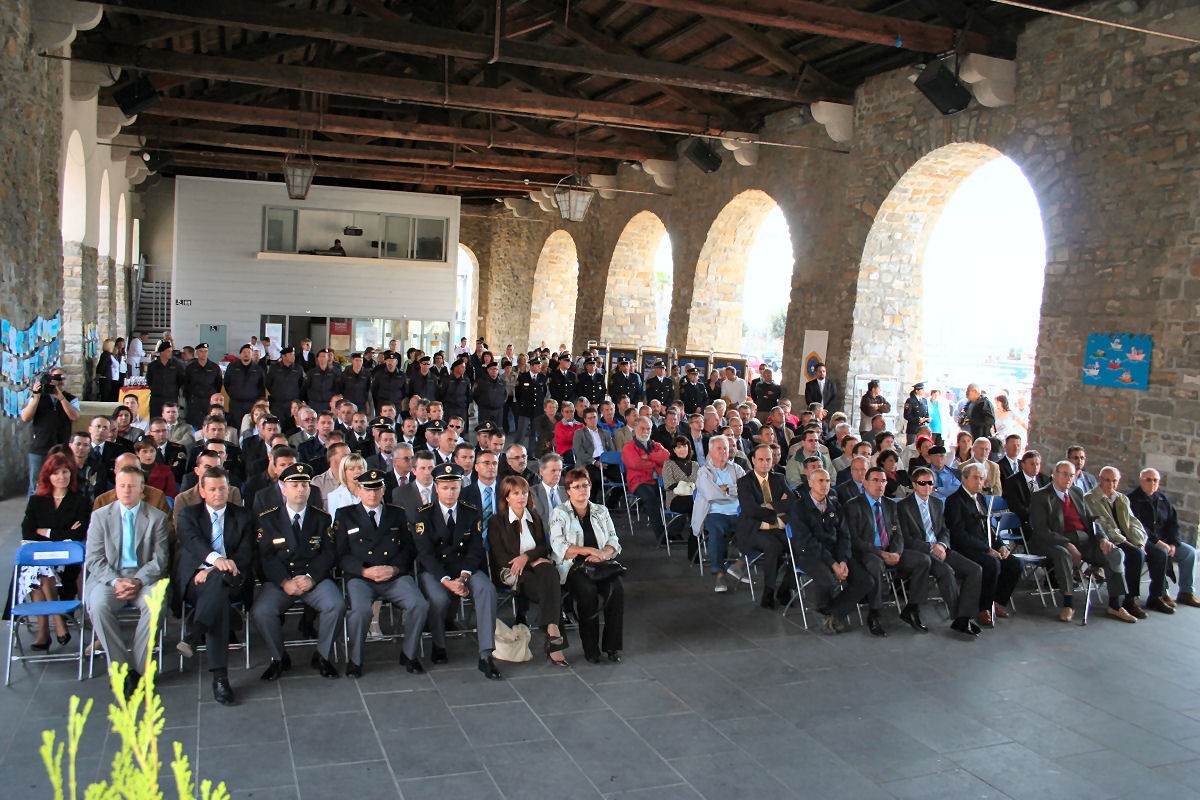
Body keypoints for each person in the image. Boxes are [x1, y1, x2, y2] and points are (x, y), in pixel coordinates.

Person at [251, 463, 345, 680]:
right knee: (262, 612)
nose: (300, 489)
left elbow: (328, 554)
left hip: (313, 579)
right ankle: (279, 658)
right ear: (284, 489)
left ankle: (323, 656)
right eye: (294, 485)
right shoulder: (269, 519)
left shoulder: (321, 518)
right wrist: (284, 581)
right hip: (282, 581)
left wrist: (311, 578)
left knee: (336, 605)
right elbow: (265, 557)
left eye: (304, 485)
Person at [85, 466, 171, 698]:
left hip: (144, 577)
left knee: (155, 604)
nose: (126, 490)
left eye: (131, 486)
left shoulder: (156, 517)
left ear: (142, 488)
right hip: (109, 578)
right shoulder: (100, 516)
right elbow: (94, 558)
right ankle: (121, 669)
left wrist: (137, 581)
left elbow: (160, 560)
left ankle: (140, 671)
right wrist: (116, 581)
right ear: (115, 487)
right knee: (98, 606)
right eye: (121, 485)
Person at [333, 469, 429, 677]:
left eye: (377, 489)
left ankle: (410, 654)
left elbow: (409, 548)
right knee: (360, 612)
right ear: (358, 491)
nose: (372, 494)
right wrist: (363, 571)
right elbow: (340, 554)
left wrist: (394, 568)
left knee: (419, 604)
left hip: (393, 575)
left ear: (384, 490)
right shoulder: (345, 515)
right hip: (361, 577)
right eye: (367, 489)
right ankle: (355, 660)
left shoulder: (396, 513)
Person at [414, 463, 503, 680]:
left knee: (486, 590)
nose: (450, 493)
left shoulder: (470, 512)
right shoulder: (424, 515)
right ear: (436, 488)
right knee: (438, 599)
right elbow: (425, 555)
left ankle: (486, 654)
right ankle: (439, 644)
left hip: (465, 569)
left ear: (460, 487)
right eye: (445, 488)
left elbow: (475, 550)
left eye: (454, 487)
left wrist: (463, 577)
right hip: (437, 572)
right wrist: (447, 581)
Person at [174, 466, 253, 704]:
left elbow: (246, 554)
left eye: (222, 488)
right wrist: (216, 561)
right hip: (195, 582)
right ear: (202, 491)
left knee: (217, 583)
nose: (218, 493)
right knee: (218, 600)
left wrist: (213, 570)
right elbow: (193, 542)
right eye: (212, 489)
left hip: (234, 579)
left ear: (229, 489)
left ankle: (196, 630)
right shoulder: (189, 515)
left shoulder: (244, 516)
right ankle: (220, 679)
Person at [1029, 460, 1130, 623]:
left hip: (1083, 539)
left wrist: (1102, 538)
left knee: (1114, 553)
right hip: (1053, 540)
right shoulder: (1041, 496)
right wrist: (1067, 544)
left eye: (1071, 475)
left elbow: (1091, 519)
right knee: (1063, 554)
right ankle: (1068, 604)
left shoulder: (1076, 492)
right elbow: (1042, 530)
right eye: (1064, 474)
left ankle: (1115, 605)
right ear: (1054, 474)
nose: (1068, 478)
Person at [490, 475, 569, 666]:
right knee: (549, 587)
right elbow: (500, 557)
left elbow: (543, 547)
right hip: (511, 572)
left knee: (549, 572)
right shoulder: (496, 521)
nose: (521, 497)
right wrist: (527, 561)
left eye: (524, 493)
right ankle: (554, 638)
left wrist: (527, 557)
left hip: (535, 567)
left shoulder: (534, 517)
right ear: (506, 497)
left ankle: (552, 630)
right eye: (516, 493)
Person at [548, 467, 624, 664]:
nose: (582, 490)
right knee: (587, 592)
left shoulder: (601, 511)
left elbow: (613, 539)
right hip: (573, 566)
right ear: (568, 490)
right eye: (577, 487)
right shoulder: (560, 512)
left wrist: (604, 554)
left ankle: (612, 646)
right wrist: (589, 551)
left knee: (616, 589)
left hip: (600, 563)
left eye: (585, 485)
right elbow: (559, 546)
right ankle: (591, 649)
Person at [898, 467, 984, 638]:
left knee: (975, 570)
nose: (927, 487)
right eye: (922, 483)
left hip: (940, 548)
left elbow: (944, 530)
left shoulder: (937, 503)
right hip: (921, 552)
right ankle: (960, 618)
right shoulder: (903, 506)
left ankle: (965, 614)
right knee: (946, 571)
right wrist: (931, 548)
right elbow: (906, 539)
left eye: (930, 483)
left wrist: (942, 545)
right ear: (914, 484)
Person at [786, 468, 874, 634]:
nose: (825, 485)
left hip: (835, 553)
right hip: (809, 554)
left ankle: (832, 613)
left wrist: (843, 560)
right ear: (810, 483)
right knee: (828, 581)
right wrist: (833, 563)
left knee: (865, 581)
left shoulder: (835, 505)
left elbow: (844, 536)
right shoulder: (799, 508)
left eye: (827, 481)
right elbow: (807, 541)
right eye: (820, 481)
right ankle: (825, 612)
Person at [845, 467, 930, 637]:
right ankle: (875, 613)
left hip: (890, 550)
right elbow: (854, 540)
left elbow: (898, 533)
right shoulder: (853, 505)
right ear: (865, 483)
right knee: (876, 565)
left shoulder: (891, 504)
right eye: (875, 480)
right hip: (867, 552)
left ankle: (912, 609)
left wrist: (896, 552)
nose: (880, 484)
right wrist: (881, 554)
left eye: (883, 481)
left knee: (923, 560)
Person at [19, 453, 89, 650]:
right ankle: (57, 620)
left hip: (66, 562)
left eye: (65, 472)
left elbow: (77, 535)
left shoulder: (80, 501)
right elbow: (28, 533)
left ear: (71, 474)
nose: (61, 477)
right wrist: (62, 534)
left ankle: (43, 632)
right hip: (40, 559)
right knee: (39, 569)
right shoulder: (37, 501)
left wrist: (47, 532)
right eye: (56, 473)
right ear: (48, 476)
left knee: (40, 571)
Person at [945, 462, 1021, 626]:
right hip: (966, 548)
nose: (979, 482)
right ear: (964, 479)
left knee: (1014, 564)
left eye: (981, 478)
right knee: (992, 563)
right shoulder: (955, 501)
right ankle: (983, 608)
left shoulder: (981, 498)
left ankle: (995, 601)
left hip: (985, 545)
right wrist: (987, 549)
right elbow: (959, 535)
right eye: (975, 478)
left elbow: (989, 528)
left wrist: (1001, 545)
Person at [730, 444, 794, 609]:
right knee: (774, 547)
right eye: (761, 459)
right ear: (753, 460)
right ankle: (768, 593)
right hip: (754, 529)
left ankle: (785, 589)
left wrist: (771, 505)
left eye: (768, 459)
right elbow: (751, 509)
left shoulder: (779, 478)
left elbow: (793, 502)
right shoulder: (744, 482)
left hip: (777, 529)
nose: (765, 463)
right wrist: (776, 516)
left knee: (800, 544)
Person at [1084, 466, 1150, 620]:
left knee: (1153, 553)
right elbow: (1102, 526)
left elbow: (1133, 522)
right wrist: (1127, 542)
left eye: (1114, 481)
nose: (1111, 484)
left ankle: (1156, 594)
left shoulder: (1122, 498)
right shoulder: (1090, 498)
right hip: (1108, 539)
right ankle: (1129, 599)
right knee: (1134, 555)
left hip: (1127, 537)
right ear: (1100, 480)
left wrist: (1139, 541)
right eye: (1107, 480)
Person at [1128, 468, 1199, 611]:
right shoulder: (1132, 500)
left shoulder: (1162, 499)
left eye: (1155, 480)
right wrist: (1159, 542)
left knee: (1190, 553)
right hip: (1145, 541)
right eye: (1148, 480)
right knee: (1161, 553)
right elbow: (1139, 527)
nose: (1152, 483)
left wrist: (1173, 542)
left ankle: (1186, 593)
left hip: (1165, 540)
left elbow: (1173, 523)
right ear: (1141, 481)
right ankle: (1161, 592)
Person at [693, 436, 745, 592]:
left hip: (738, 513)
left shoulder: (737, 469)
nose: (723, 451)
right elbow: (711, 494)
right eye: (719, 448)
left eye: (726, 448)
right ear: (711, 451)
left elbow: (746, 489)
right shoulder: (704, 472)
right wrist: (733, 491)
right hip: (715, 512)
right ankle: (719, 574)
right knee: (716, 532)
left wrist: (726, 488)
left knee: (757, 529)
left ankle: (740, 565)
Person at [20, 367, 81, 495]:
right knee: (36, 485)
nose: (59, 381)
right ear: (49, 380)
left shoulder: (70, 399)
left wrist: (61, 398)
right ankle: (34, 507)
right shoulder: (38, 396)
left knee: (61, 485)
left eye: (62, 378)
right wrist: (36, 398)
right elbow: (25, 417)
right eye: (56, 378)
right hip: (40, 448)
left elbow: (74, 416)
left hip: (61, 448)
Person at [621, 417, 670, 545]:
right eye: (642, 428)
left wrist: (648, 457)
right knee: (652, 499)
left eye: (648, 429)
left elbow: (667, 456)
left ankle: (675, 532)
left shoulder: (655, 444)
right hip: (639, 482)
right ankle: (661, 536)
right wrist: (655, 462)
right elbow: (635, 463)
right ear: (635, 428)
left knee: (679, 494)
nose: (645, 431)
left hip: (658, 481)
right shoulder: (629, 447)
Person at [183, 343, 223, 428]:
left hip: (209, 400)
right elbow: (186, 384)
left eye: (206, 351)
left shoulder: (214, 367)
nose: (204, 354)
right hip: (195, 401)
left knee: (210, 423)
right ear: (197, 353)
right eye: (201, 351)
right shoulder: (190, 368)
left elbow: (218, 384)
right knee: (194, 424)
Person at [145, 341, 185, 417]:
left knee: (171, 418)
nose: (170, 353)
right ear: (161, 352)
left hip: (171, 397)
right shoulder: (152, 366)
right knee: (156, 418)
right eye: (168, 351)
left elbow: (181, 380)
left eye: (171, 351)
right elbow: (149, 380)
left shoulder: (176, 365)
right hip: (156, 398)